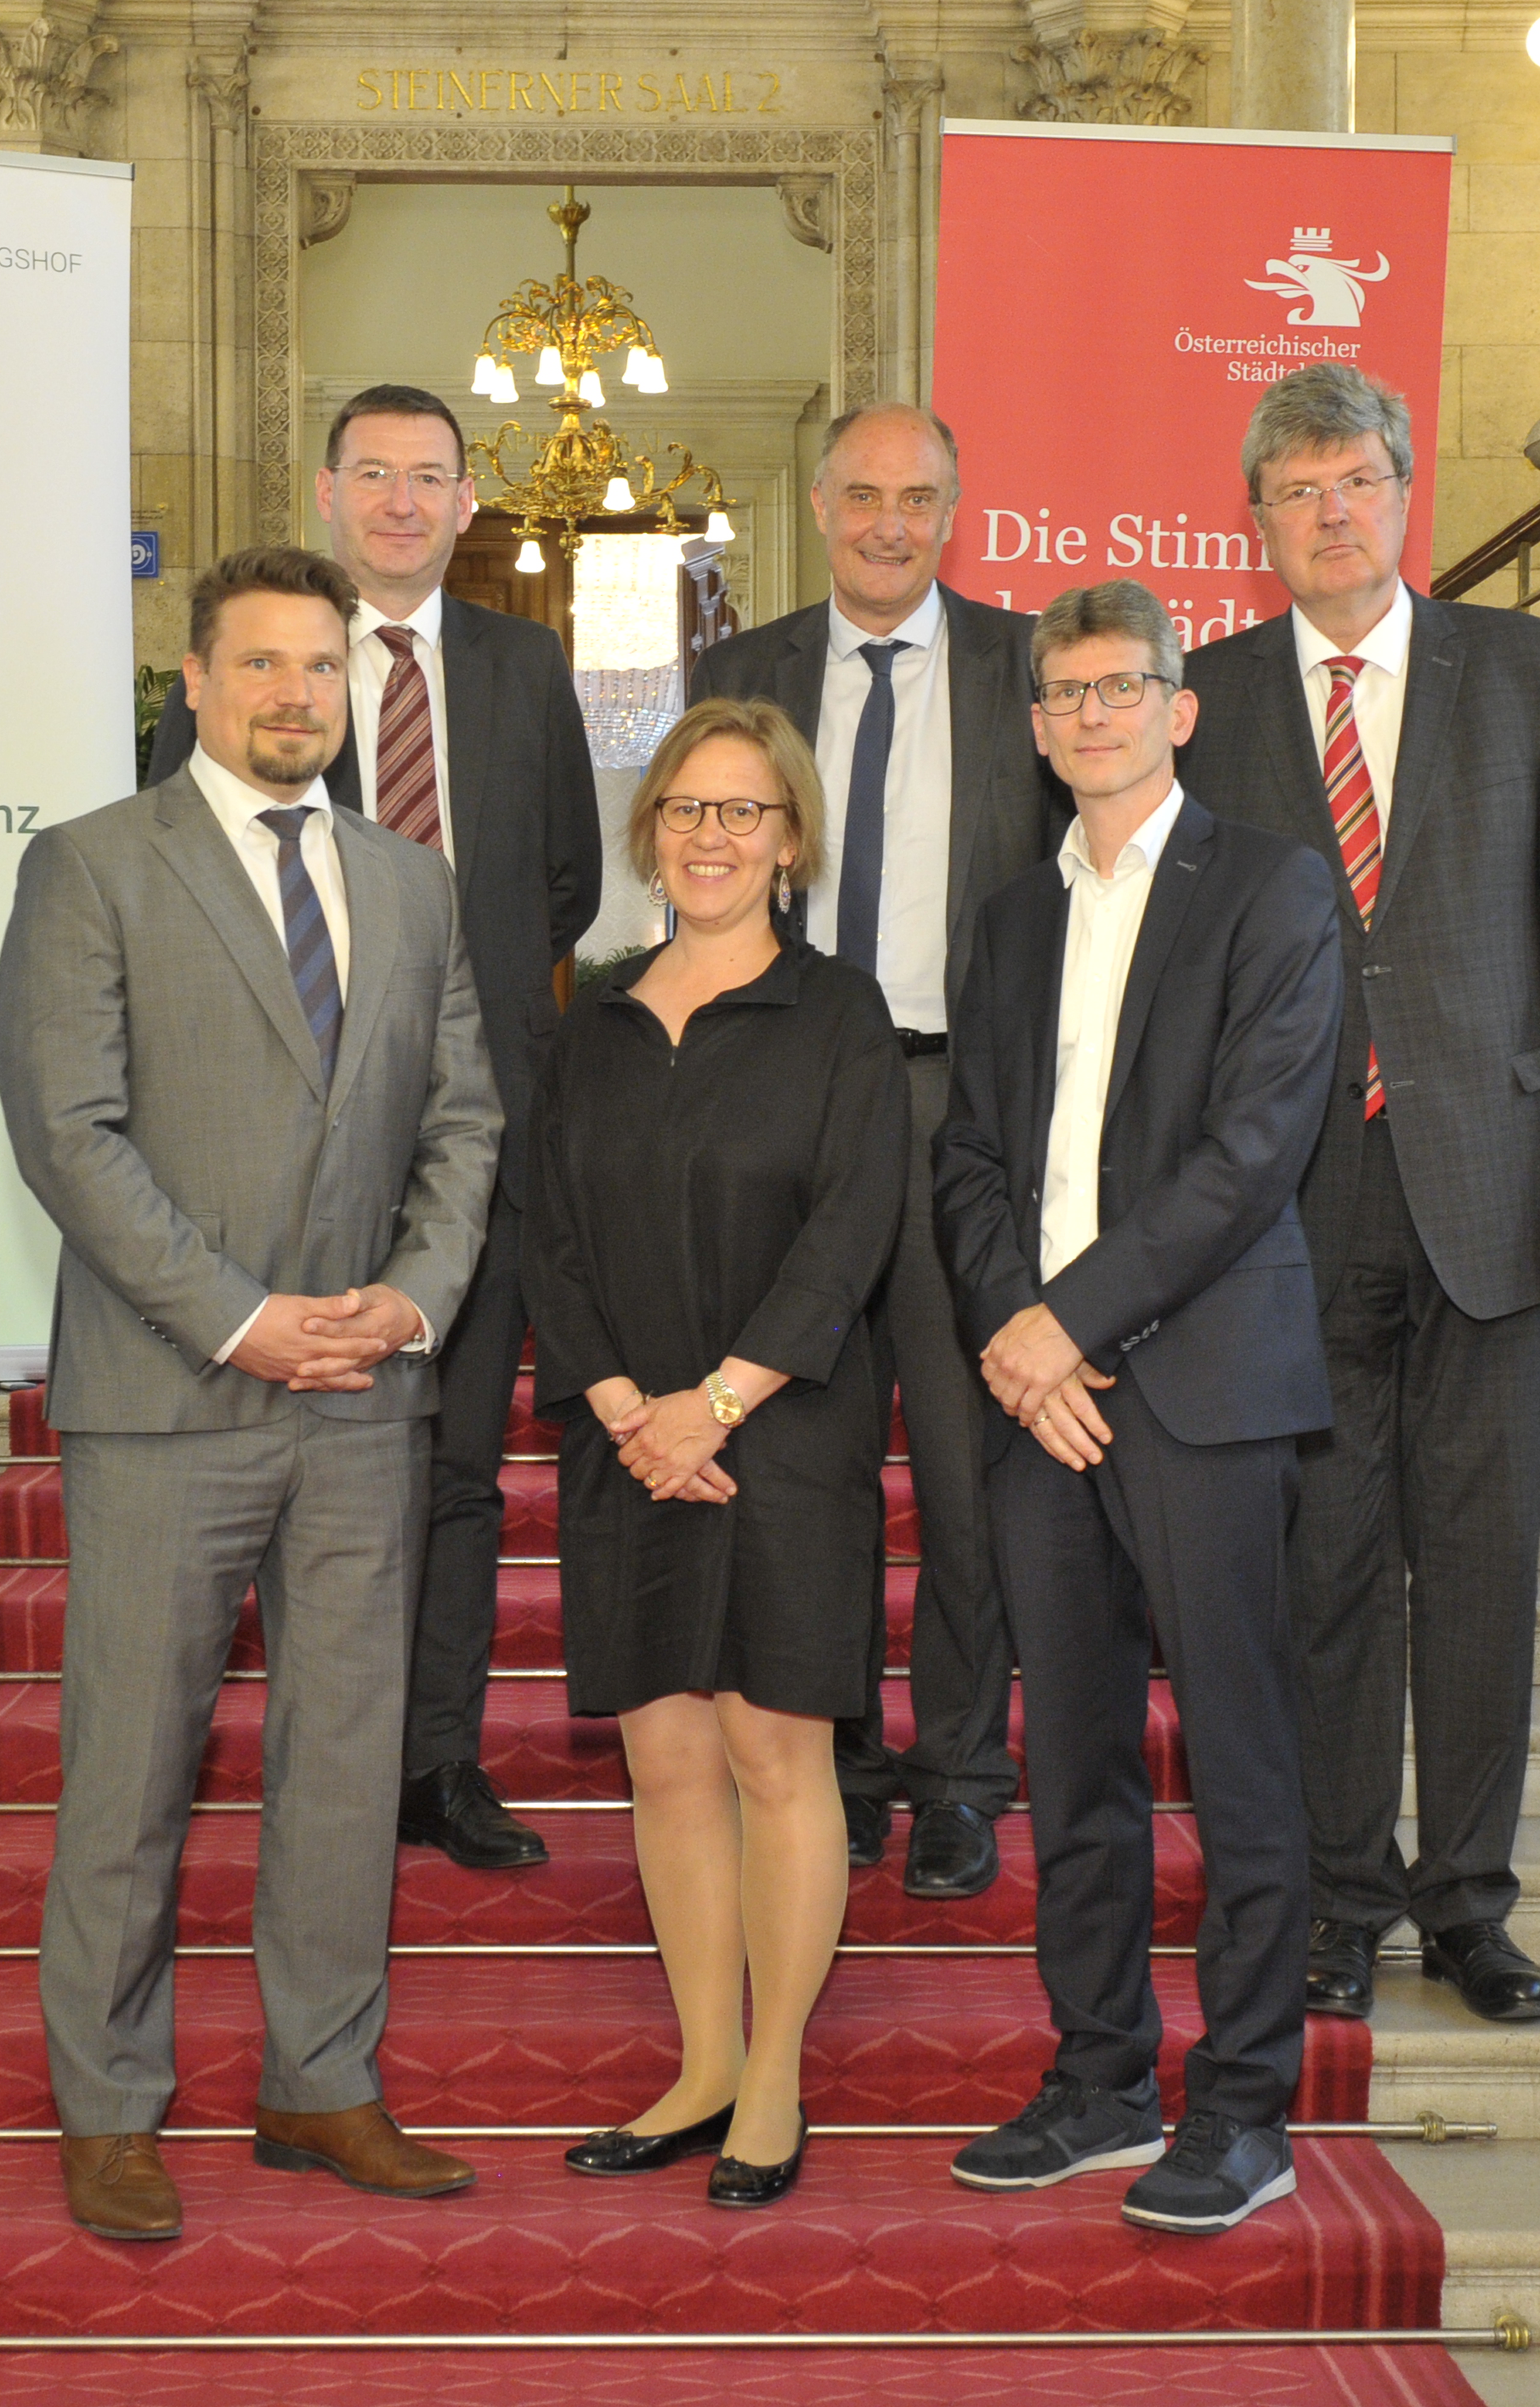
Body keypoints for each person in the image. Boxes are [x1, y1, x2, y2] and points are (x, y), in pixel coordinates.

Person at [0, 545, 503, 2243]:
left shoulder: (411, 883)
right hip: (168, 1395)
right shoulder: (91, 867)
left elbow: (465, 1124)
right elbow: (70, 1135)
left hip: (364, 1399)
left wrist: (412, 1299)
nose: (295, 694)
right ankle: (110, 2109)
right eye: (262, 665)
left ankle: (321, 2082)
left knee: (346, 1765)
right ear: (197, 682)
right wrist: (241, 1320)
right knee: (130, 1768)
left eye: (320, 668)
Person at [1178, 363, 1540, 2028]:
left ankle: (1469, 1904)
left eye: (1356, 483)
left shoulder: (1520, 673)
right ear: (1259, 523)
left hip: (1491, 1190)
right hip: (1289, 1212)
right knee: (1323, 1568)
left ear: (1403, 501)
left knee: (1476, 1564)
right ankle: (1338, 1899)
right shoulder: (1211, 696)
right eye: (1298, 490)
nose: (1331, 513)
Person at [935, 579, 1346, 2235]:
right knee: (1075, 1766)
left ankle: (1243, 2109)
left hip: (1202, 1387)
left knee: (1240, 1760)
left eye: (1125, 687)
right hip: (1043, 1406)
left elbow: (1250, 1157)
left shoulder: (1272, 890)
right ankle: (1101, 2075)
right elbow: (967, 1158)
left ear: (1181, 708)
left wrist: (1066, 1325)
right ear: (1036, 730)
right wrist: (1010, 1337)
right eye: (1065, 694)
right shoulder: (1009, 919)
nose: (1094, 714)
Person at [149, 382, 602, 1876]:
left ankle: (435, 1762)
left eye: (432, 478)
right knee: (296, 1465)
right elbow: (186, 892)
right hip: (283, 1134)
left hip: (478, 1131)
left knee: (460, 1459)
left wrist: (455, 1034)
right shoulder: (255, 666)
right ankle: (313, 1758)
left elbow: (565, 887)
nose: (404, 502)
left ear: (469, 504)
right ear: (330, 491)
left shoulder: (529, 665)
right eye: (376, 475)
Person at [524, 696, 909, 2210]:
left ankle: (775, 2079)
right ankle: (696, 2063)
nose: (712, 836)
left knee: (771, 1750)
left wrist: (719, 1403)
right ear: (651, 832)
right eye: (688, 809)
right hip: (628, 1445)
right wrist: (626, 1407)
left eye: (744, 812)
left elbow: (852, 1229)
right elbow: (548, 1236)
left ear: (790, 840)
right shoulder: (594, 1023)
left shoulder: (839, 1016)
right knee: (667, 1756)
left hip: (785, 1435)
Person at [689, 401, 1067, 1900]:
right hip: (790, 1093)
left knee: (969, 1464)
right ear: (822, 505)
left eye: (919, 497)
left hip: (962, 1105)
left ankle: (964, 1773)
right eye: (863, 495)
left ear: (957, 510)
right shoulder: (742, 673)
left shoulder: (1024, 668)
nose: (890, 523)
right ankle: (832, 1767)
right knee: (806, 1450)